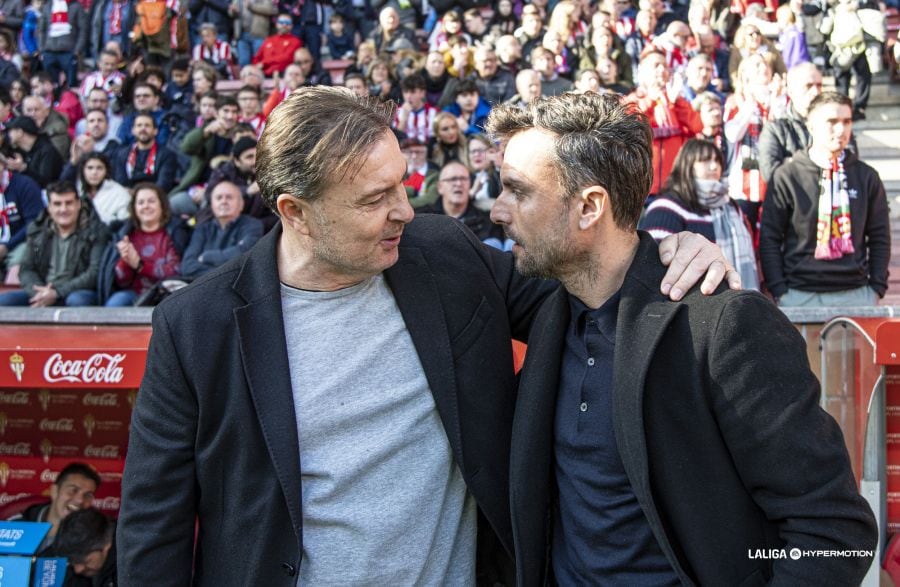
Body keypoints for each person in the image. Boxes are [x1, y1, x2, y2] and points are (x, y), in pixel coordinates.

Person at [118, 86, 736, 585]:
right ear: (295, 212)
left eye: (402, 185)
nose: (406, 211)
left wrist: (660, 252)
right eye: (374, 199)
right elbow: (153, 527)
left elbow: (584, 290)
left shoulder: (442, 253)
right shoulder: (196, 327)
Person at [485, 90, 877, 586]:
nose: (498, 210)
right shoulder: (548, 305)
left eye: (517, 191)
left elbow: (833, 530)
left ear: (589, 207)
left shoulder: (722, 326)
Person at [760, 91, 890, 307]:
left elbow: (879, 236)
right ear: (811, 126)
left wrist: (876, 288)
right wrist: (780, 290)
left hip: (857, 294)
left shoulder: (866, 176)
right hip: (798, 294)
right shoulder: (787, 175)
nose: (841, 129)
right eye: (832, 121)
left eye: (847, 121)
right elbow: (770, 237)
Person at [641, 138, 759, 289]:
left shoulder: (731, 206)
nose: (713, 166)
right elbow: (652, 264)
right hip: (691, 301)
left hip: (740, 297)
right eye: (704, 160)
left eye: (717, 160)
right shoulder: (667, 206)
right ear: (687, 165)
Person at [0, 181, 109, 306]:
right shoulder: (37, 231)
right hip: (42, 290)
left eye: (69, 203)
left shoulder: (96, 231)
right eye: (57, 204)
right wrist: (40, 293)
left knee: (77, 300)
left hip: (77, 292)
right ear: (49, 208)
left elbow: (94, 273)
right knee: (4, 301)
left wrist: (57, 293)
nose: (63, 209)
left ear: (78, 204)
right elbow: (26, 269)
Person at [100, 183, 186, 306]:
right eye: (140, 203)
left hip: (165, 294)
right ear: (134, 208)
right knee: (116, 302)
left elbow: (176, 272)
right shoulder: (126, 234)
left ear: (162, 205)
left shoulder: (175, 232)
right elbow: (121, 282)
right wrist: (125, 261)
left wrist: (140, 266)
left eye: (151, 201)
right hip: (134, 294)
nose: (146, 206)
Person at [7, 463, 100, 552]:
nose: (80, 500)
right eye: (73, 490)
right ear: (54, 491)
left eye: (88, 495)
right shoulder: (18, 525)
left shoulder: (93, 536)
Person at [179, 180, 263, 277]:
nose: (224, 201)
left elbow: (244, 258)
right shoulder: (202, 229)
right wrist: (223, 274)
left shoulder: (253, 225)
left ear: (241, 204)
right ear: (212, 205)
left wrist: (207, 257)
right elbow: (187, 266)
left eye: (229, 197)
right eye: (219, 198)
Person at [758, 61, 823, 183]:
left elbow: (846, 165)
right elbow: (771, 174)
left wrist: (791, 163)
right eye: (808, 86)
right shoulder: (775, 129)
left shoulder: (834, 125)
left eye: (819, 85)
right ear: (791, 91)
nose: (816, 92)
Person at [418, 159, 504, 242]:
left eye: (463, 179)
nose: (459, 184)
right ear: (440, 187)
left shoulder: (488, 223)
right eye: (452, 179)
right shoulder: (424, 219)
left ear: (470, 184)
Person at [43, 508, 116, 586]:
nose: (78, 570)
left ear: (107, 544)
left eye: (86, 561)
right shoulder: (63, 549)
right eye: (72, 561)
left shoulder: (126, 568)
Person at [109, 113, 178, 192]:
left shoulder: (167, 155)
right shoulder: (122, 154)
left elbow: (163, 184)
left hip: (156, 197)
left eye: (147, 125)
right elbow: (120, 183)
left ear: (155, 131)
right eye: (139, 125)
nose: (143, 129)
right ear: (133, 131)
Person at [4, 114, 64, 187]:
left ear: (20, 132)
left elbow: (45, 182)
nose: (8, 134)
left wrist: (23, 168)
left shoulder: (47, 150)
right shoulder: (19, 150)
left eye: (10, 131)